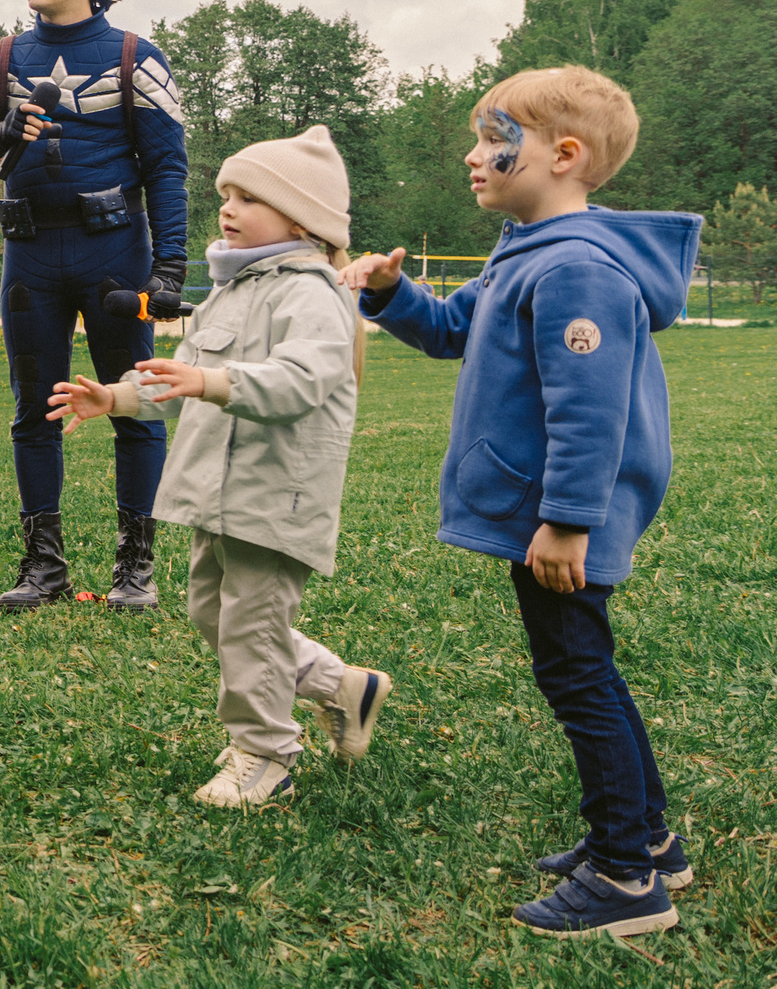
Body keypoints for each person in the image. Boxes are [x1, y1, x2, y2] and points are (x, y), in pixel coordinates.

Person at [346, 67, 698, 939]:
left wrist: (568, 519)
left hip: (563, 521)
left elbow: (592, 409)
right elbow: (453, 330)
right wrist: (392, 295)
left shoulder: (579, 270)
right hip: (546, 514)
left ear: (564, 155)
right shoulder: (524, 250)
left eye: (491, 137)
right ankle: (651, 841)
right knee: (589, 670)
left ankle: (624, 882)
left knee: (578, 676)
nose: (473, 155)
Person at [53, 126, 390, 809]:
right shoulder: (232, 290)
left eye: (247, 196)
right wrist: (113, 395)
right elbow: (183, 378)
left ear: (300, 218)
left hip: (275, 495)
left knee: (250, 624)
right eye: (226, 195)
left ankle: (265, 755)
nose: (227, 208)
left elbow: (301, 379)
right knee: (212, 612)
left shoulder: (312, 293)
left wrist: (212, 380)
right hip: (220, 491)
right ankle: (342, 685)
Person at [0, 0, 189, 611]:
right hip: (29, 259)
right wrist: (1, 130)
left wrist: (170, 266)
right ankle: (42, 567)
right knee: (33, 412)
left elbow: (168, 168)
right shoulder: (3, 57)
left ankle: (135, 567)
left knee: (135, 407)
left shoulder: (138, 56)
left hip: (115, 254)